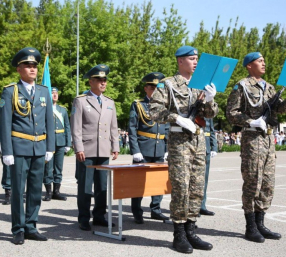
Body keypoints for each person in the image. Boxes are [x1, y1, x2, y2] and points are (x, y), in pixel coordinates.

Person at [226, 52, 286, 243]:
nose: (264, 63)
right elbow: (231, 113)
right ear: (249, 65)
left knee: (267, 184)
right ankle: (250, 227)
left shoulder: (269, 87)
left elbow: (278, 110)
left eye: (264, 61)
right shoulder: (241, 86)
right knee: (253, 182)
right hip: (252, 140)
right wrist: (251, 122)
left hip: (268, 141)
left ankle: (260, 223)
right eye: (260, 61)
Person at [150, 46, 218, 253]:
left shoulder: (200, 85)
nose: (196, 62)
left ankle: (191, 231)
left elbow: (211, 114)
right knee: (181, 187)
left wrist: (210, 99)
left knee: (197, 187)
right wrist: (176, 117)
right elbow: (154, 111)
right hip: (179, 140)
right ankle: (178, 235)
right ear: (180, 61)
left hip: (197, 141)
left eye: (197, 58)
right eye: (191, 59)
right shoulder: (167, 84)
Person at [0, 47, 55, 245]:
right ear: (19, 69)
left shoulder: (43, 91)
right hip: (19, 148)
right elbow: (4, 122)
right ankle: (18, 229)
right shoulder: (10, 91)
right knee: (17, 191)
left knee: (34, 190)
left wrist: (50, 147)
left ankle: (31, 226)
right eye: (28, 65)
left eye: (34, 66)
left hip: (39, 148)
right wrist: (7, 151)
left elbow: (50, 121)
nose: (32, 69)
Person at [70, 64, 120, 231]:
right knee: (85, 186)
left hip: (104, 149)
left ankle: (99, 216)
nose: (103, 83)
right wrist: (78, 148)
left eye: (104, 80)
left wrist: (115, 145)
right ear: (91, 81)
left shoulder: (109, 102)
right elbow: (76, 127)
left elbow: (114, 126)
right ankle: (83, 218)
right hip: (87, 149)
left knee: (102, 186)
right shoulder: (81, 101)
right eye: (99, 80)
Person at [128, 72, 169, 224]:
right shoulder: (138, 105)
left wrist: (166, 149)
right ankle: (137, 211)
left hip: (159, 148)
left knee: (158, 182)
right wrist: (135, 150)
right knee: (139, 183)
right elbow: (132, 129)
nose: (156, 90)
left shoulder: (164, 106)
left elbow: (166, 128)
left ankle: (156, 210)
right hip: (143, 149)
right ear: (146, 88)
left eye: (159, 87)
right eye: (152, 87)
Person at [42, 87, 71, 201]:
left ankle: (56, 192)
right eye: (52, 93)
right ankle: (48, 192)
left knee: (58, 168)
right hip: (49, 141)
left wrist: (68, 143)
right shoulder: (45, 109)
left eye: (56, 93)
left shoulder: (62, 110)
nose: (55, 95)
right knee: (48, 168)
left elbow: (67, 127)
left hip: (60, 141)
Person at [199, 118, 217, 216]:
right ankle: (192, 208)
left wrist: (214, 147)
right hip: (195, 147)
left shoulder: (208, 111)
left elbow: (211, 130)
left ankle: (202, 205)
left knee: (204, 180)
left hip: (206, 149)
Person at [0, 103, 11, 205]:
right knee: (7, 168)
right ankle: (8, 193)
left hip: (22, 138)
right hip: (6, 138)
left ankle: (18, 193)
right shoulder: (2, 103)